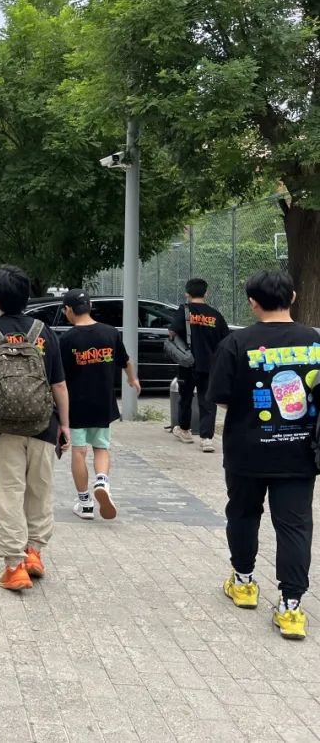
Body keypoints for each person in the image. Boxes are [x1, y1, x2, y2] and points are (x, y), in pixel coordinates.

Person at [208, 270, 320, 640]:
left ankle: (243, 583)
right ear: (293, 297)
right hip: (301, 452)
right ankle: (291, 607)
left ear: (252, 303)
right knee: (295, 526)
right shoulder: (315, 342)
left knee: (243, 514)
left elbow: (220, 397)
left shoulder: (236, 343)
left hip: (247, 451)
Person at [0, 265, 69, 591]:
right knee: (40, 489)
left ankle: (13, 566)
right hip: (44, 425)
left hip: (3, 428)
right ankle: (34, 553)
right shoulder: (43, 332)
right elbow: (59, 385)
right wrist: (65, 425)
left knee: (9, 492)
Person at [58, 289, 140, 521]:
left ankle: (85, 503)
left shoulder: (67, 339)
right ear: (90, 306)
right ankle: (102, 481)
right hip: (103, 402)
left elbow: (59, 378)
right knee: (101, 448)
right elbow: (126, 362)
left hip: (76, 406)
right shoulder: (110, 333)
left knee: (79, 451)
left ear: (68, 310)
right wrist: (132, 379)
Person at [170, 278, 231, 452]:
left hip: (187, 364)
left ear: (187, 293)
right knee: (208, 401)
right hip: (210, 365)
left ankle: (184, 430)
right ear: (206, 293)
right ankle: (206, 439)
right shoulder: (215, 315)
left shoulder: (184, 310)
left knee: (185, 397)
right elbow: (225, 340)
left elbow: (172, 332)